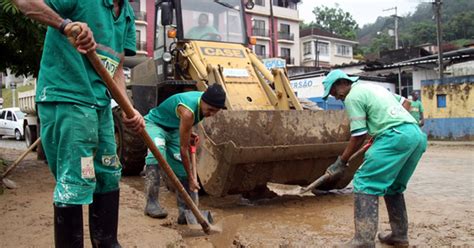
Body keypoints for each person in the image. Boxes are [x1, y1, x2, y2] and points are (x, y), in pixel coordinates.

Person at [13, 0, 144, 247]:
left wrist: (128, 108)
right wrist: (66, 25)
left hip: (100, 103)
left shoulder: (126, 13)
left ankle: (107, 242)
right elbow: (24, 2)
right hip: (68, 96)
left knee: (108, 174)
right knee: (75, 180)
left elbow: (115, 69)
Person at [321, 70, 427, 247]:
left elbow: (359, 134)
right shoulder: (373, 88)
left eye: (333, 93)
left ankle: (363, 240)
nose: (336, 98)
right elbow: (406, 103)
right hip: (415, 135)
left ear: (341, 83)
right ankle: (399, 235)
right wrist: (386, 125)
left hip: (395, 137)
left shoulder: (352, 96)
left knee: (365, 181)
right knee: (393, 186)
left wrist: (342, 161)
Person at [143, 84, 226, 224]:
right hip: (155, 124)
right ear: (203, 101)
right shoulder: (188, 112)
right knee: (157, 155)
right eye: (210, 110)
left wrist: (187, 133)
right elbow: (183, 149)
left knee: (181, 168)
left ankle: (185, 212)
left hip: (174, 129)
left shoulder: (203, 103)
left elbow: (184, 125)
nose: (211, 114)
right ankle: (151, 203)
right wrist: (193, 178)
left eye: (215, 112)